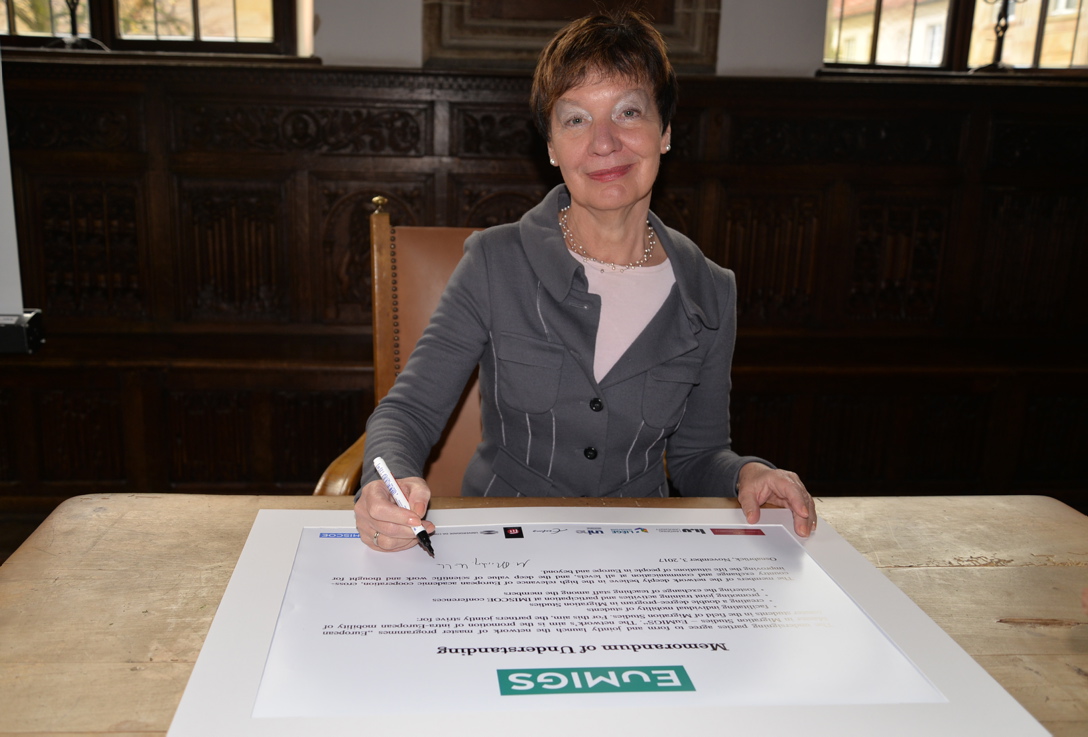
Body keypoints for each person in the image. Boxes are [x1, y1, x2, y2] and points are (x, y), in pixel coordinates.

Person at [354, 10, 815, 552]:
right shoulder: (494, 260)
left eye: (628, 112)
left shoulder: (711, 291)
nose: (604, 142)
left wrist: (747, 475)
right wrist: (383, 487)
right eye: (576, 120)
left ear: (664, 132)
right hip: (505, 548)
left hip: (639, 551)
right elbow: (408, 412)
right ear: (550, 147)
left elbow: (697, 456)